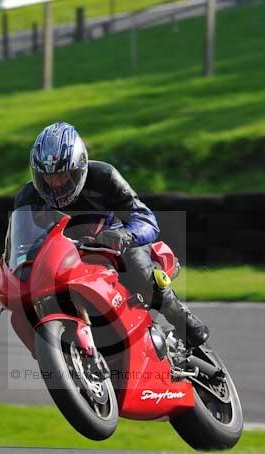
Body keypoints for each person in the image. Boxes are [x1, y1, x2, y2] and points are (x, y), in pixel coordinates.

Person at [12, 121, 209, 347]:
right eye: (47, 177)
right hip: (63, 258)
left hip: (111, 246)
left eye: (62, 175)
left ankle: (180, 316)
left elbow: (145, 218)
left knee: (140, 270)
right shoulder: (27, 198)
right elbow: (20, 246)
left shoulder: (104, 177)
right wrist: (9, 282)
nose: (55, 184)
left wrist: (124, 236)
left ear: (79, 168)